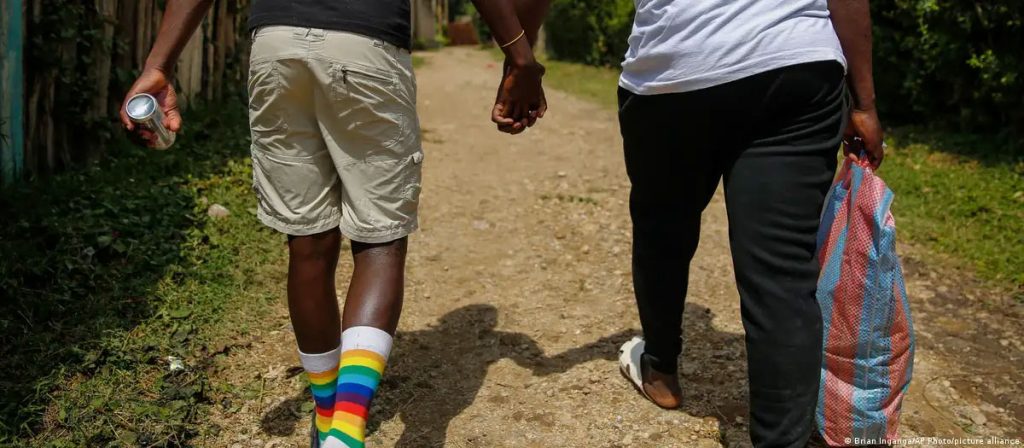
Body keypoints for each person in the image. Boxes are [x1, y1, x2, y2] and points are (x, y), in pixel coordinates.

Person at [120, 1, 547, 446]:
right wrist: (520, 56)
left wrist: (158, 65)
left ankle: (327, 419)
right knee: (379, 243)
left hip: (276, 47)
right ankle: (345, 427)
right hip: (367, 46)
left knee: (307, 243)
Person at [613, 0, 884, 446]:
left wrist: (520, 55)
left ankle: (660, 368)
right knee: (780, 275)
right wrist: (865, 103)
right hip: (793, 63)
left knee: (663, 231)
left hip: (676, 72)